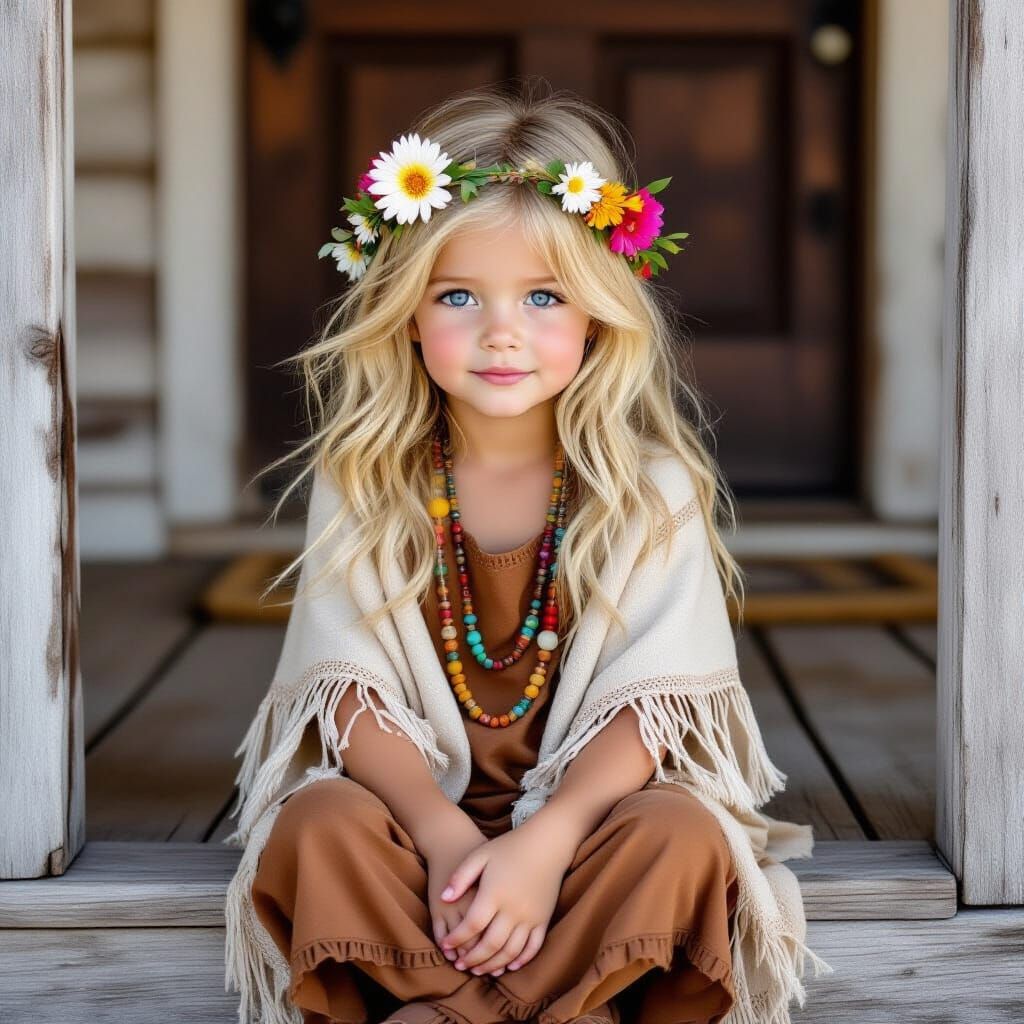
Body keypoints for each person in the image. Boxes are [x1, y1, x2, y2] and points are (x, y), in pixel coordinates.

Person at [222, 80, 832, 1024]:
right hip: (415, 831)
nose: (501, 331)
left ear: (596, 314)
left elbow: (657, 704)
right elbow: (345, 685)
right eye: (458, 294)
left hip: (587, 828)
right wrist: (438, 830)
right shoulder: (369, 479)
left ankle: (439, 1011)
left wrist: (545, 844)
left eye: (543, 295)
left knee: (682, 836)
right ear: (406, 313)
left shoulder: (646, 487)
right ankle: (561, 1009)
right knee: (315, 826)